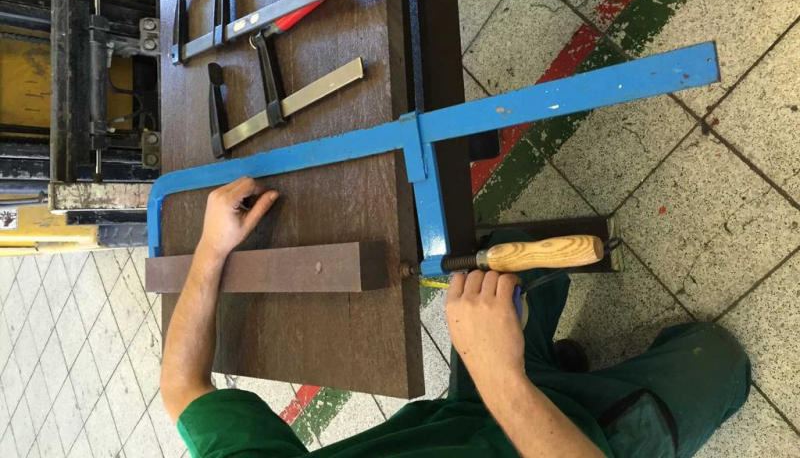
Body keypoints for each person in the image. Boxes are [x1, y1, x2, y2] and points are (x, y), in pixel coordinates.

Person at [161, 177, 751, 457]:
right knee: (719, 359)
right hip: (585, 444)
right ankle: (574, 382)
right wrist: (502, 377)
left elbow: (181, 386)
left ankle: (553, 366)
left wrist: (212, 250)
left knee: (508, 257)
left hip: (471, 415)